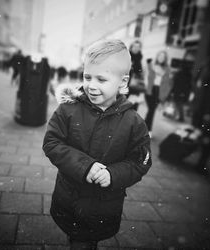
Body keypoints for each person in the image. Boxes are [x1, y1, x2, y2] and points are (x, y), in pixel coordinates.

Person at [42, 39, 152, 250]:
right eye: (87, 77)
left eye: (101, 79)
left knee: (85, 241)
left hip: (104, 206)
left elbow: (141, 161)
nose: (91, 85)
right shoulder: (68, 109)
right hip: (69, 198)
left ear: (122, 82)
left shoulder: (133, 122)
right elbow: (52, 142)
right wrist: (85, 166)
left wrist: (114, 174)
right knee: (78, 239)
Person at [144, 50, 173, 138]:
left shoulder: (167, 69)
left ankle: (145, 129)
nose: (161, 58)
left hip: (159, 91)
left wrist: (164, 96)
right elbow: (146, 77)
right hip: (150, 90)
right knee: (151, 110)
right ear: (157, 57)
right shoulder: (151, 65)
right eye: (160, 56)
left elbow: (167, 83)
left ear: (165, 59)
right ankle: (146, 130)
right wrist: (146, 86)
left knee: (151, 111)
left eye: (163, 57)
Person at [126, 40, 144, 111]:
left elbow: (140, 74)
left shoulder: (139, 59)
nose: (136, 48)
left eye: (138, 47)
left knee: (133, 106)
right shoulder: (125, 57)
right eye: (134, 46)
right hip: (124, 85)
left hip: (135, 87)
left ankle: (130, 121)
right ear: (131, 47)